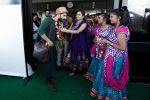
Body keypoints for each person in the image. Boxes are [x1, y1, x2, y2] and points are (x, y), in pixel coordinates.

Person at [91, 8, 130, 100]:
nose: (110, 18)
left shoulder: (121, 29)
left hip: (115, 59)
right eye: (109, 16)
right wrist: (104, 42)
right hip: (110, 57)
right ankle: (105, 95)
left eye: (112, 16)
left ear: (119, 18)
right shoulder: (115, 28)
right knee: (106, 77)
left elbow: (122, 47)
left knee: (112, 78)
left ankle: (113, 97)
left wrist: (107, 42)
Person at [38, 6, 68, 91]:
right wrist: (48, 40)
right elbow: (40, 31)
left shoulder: (57, 21)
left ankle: (50, 78)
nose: (65, 17)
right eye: (64, 15)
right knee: (48, 64)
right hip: (47, 46)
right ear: (58, 14)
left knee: (52, 63)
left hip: (53, 45)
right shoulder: (48, 20)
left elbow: (57, 33)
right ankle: (48, 82)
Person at [85, 13, 112, 82]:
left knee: (103, 64)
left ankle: (102, 80)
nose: (97, 19)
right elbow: (94, 39)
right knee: (96, 63)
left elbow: (113, 40)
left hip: (106, 50)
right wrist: (96, 40)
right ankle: (95, 79)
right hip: (97, 50)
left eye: (99, 18)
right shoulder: (96, 27)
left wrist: (105, 42)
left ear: (104, 19)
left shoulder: (111, 28)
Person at [60, 10, 88, 76]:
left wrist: (66, 30)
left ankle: (81, 69)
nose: (77, 16)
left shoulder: (84, 23)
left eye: (79, 15)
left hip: (81, 42)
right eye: (77, 14)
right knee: (73, 54)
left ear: (83, 16)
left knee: (80, 54)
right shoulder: (74, 22)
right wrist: (62, 29)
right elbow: (69, 31)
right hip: (74, 41)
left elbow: (78, 31)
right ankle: (73, 70)